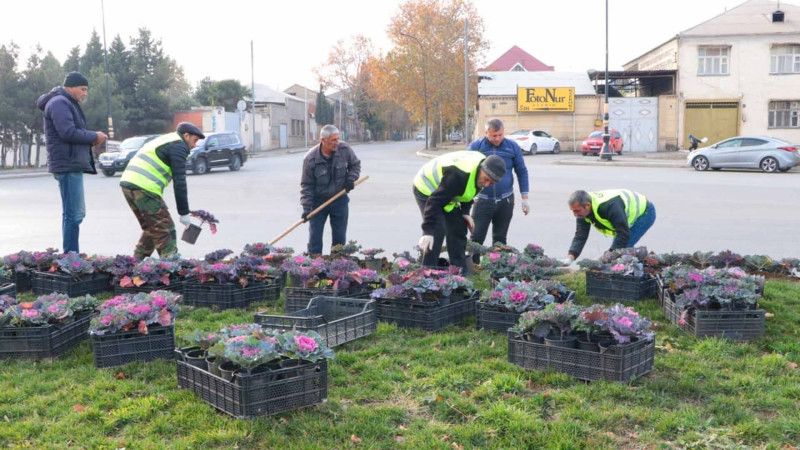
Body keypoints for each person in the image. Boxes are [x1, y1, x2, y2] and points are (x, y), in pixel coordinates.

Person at [37, 71, 108, 253]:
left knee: (71, 214)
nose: (85, 93)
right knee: (74, 215)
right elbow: (68, 132)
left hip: (68, 163)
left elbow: (71, 131)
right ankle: (71, 257)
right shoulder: (60, 102)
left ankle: (71, 255)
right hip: (67, 164)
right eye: (83, 89)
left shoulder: (66, 102)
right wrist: (94, 136)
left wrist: (91, 138)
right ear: (71, 87)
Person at [119, 122, 205, 260]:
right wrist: (184, 212)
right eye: (194, 140)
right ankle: (170, 266)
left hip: (128, 184)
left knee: (152, 228)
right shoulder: (179, 146)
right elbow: (180, 181)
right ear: (186, 136)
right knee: (165, 228)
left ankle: (135, 263)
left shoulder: (168, 139)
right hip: (144, 186)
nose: (195, 145)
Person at [414, 151, 506, 271]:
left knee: (458, 227)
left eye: (491, 183)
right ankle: (427, 274)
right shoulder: (458, 175)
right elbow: (435, 202)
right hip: (427, 188)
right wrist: (428, 231)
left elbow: (469, 190)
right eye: (486, 179)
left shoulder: (481, 172)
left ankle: (459, 271)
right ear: (481, 169)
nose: (487, 184)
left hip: (445, 192)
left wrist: (465, 212)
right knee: (437, 231)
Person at [467, 118, 530, 255]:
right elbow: (466, 171)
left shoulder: (512, 147)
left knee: (500, 241)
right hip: (482, 200)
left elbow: (521, 171)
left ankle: (497, 273)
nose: (497, 139)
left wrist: (525, 197)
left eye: (500, 135)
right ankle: (473, 272)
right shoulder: (476, 147)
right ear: (486, 133)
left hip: (505, 201)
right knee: (476, 239)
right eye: (493, 135)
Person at [300, 124, 361, 255]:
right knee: (315, 240)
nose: (337, 143)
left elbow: (355, 165)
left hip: (339, 199)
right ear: (323, 140)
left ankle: (337, 268)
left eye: (338, 139)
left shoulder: (344, 149)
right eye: (333, 140)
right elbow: (307, 185)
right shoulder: (310, 159)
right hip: (318, 203)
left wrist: (351, 179)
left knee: (339, 240)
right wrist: (306, 208)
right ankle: (315, 268)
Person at [563, 189, 656, 264]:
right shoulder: (583, 210)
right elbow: (580, 235)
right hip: (622, 219)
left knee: (622, 251)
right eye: (573, 211)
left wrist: (606, 258)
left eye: (577, 211)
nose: (575, 215)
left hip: (645, 213)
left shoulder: (609, 206)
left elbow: (623, 234)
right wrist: (570, 257)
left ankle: (638, 269)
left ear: (587, 205)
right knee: (617, 252)